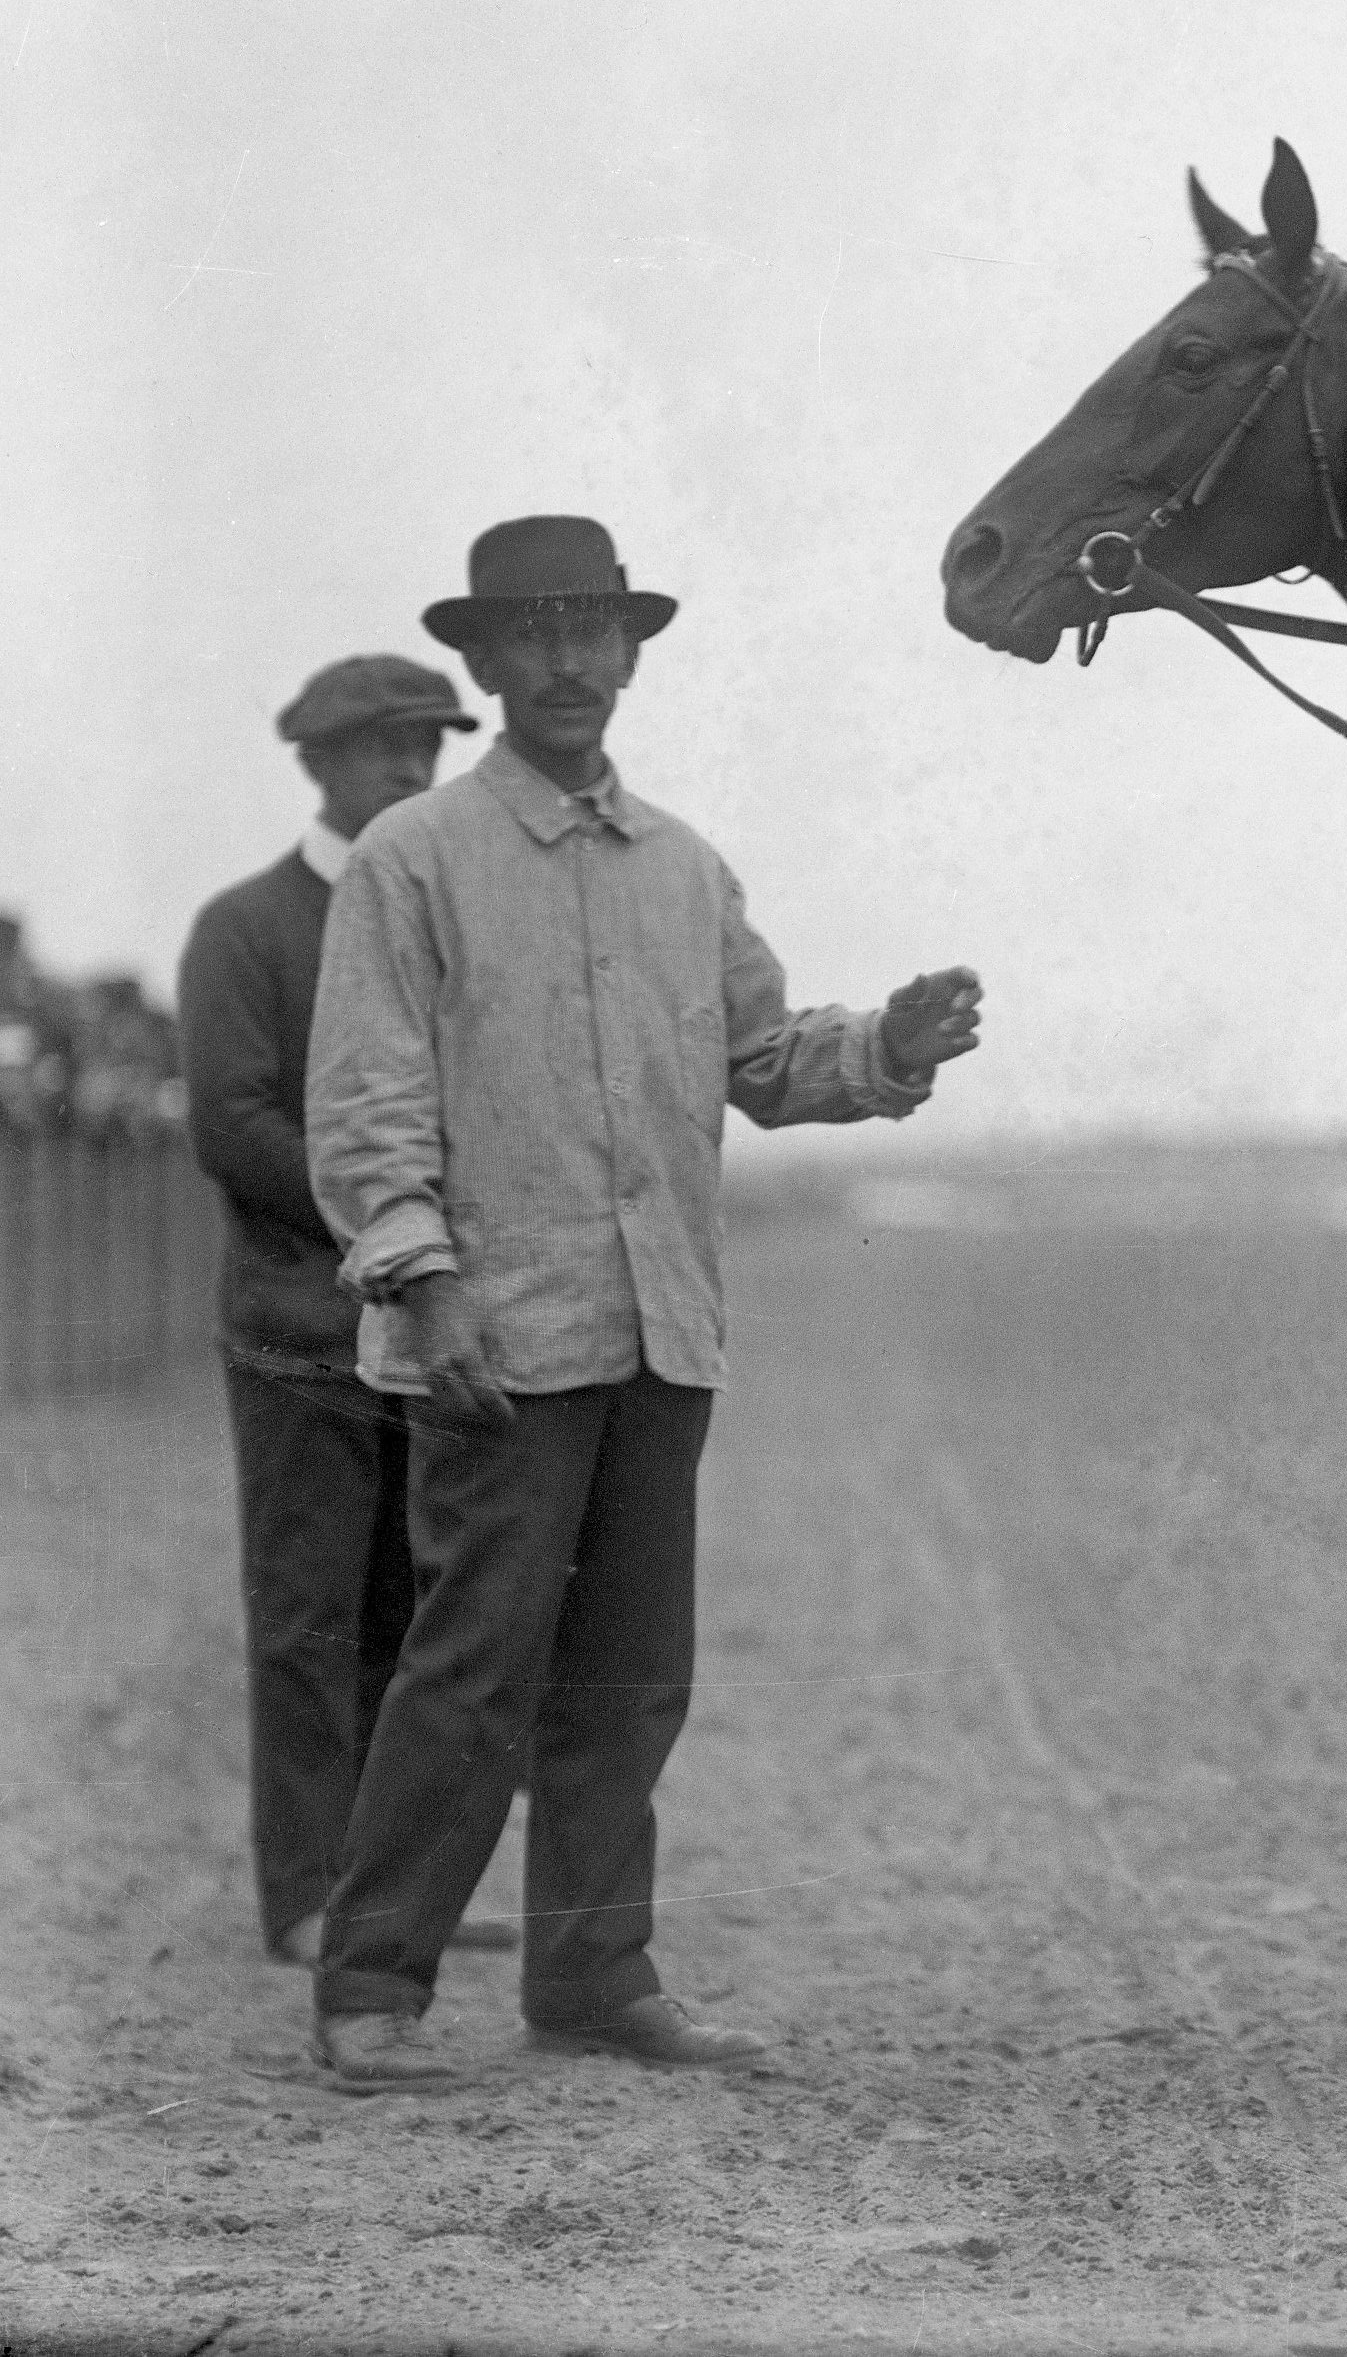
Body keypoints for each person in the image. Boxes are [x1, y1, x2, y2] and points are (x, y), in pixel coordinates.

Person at [301, 516, 986, 2091]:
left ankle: (595, 1978)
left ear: (630, 653)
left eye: (595, 633)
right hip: (492, 1342)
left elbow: (758, 1061)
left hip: (660, 1333)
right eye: (533, 635)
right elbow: (365, 1102)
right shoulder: (414, 861)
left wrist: (888, 1041)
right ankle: (372, 1984)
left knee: (629, 1684)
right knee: (470, 1674)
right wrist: (425, 1278)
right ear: (481, 665)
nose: (567, 663)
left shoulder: (684, 868)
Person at [177, 652, 524, 1970]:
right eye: (383, 747)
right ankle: (309, 1898)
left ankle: (392, 1901)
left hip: (431, 1334)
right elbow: (234, 1127)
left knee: (417, 1617)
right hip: (300, 1331)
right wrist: (393, 1232)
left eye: (428, 744)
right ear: (317, 763)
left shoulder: (447, 911)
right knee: (310, 1618)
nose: (412, 769)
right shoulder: (245, 928)